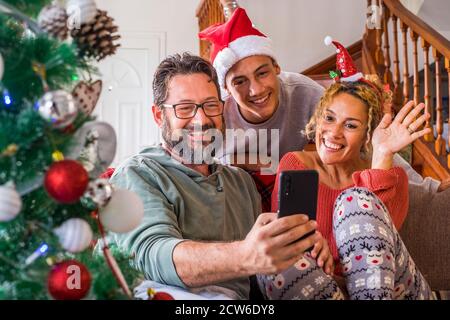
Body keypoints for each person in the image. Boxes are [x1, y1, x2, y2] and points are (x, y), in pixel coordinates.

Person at [109, 52, 329, 299]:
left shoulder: (241, 182)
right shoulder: (138, 174)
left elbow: (260, 268)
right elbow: (152, 254)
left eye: (210, 105)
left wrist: (295, 244)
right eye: (184, 108)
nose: (202, 119)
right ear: (160, 115)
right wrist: (246, 255)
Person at [199, 7, 449, 215]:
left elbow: (373, 141)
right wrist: (252, 163)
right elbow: (197, 167)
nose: (255, 90)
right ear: (226, 89)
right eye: (239, 81)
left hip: (300, 189)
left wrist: (428, 187)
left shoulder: (304, 93)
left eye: (262, 73)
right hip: (245, 199)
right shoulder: (216, 116)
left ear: (276, 68)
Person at [260, 40, 434, 299]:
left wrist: (383, 154)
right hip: (326, 291)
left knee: (354, 201)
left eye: (351, 125)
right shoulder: (295, 166)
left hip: (396, 288)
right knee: (271, 260)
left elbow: (373, 252)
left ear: (367, 135)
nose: (334, 133)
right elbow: (292, 247)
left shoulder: (392, 176)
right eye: (329, 118)